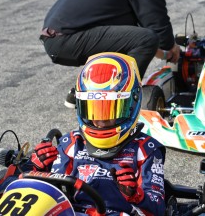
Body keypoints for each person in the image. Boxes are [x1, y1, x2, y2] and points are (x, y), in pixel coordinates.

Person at [30, 52, 166, 215]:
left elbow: (158, 208)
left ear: (132, 103)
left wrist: (135, 195)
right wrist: (39, 170)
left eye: (111, 110)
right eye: (94, 110)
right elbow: (53, 195)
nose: (101, 121)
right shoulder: (71, 143)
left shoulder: (146, 150)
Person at [39, 0, 181, 108]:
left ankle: (84, 91)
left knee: (133, 40)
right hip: (67, 39)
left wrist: (157, 48)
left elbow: (131, 32)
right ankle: (121, 101)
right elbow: (158, 27)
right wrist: (171, 47)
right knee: (147, 39)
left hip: (56, 36)